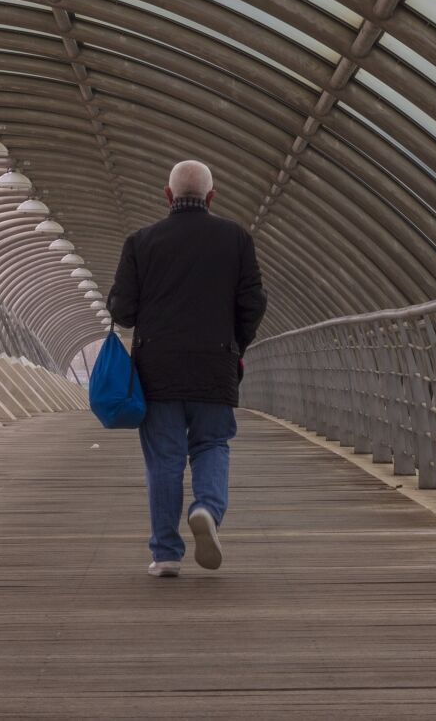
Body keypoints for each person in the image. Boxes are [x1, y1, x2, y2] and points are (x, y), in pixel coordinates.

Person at [106, 159, 267, 578]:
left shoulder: (141, 243)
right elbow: (254, 303)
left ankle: (165, 554)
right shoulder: (236, 239)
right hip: (216, 364)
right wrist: (236, 345)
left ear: (167, 195)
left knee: (165, 459)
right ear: (212, 197)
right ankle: (206, 508)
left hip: (157, 370)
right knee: (212, 444)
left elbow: (122, 311)